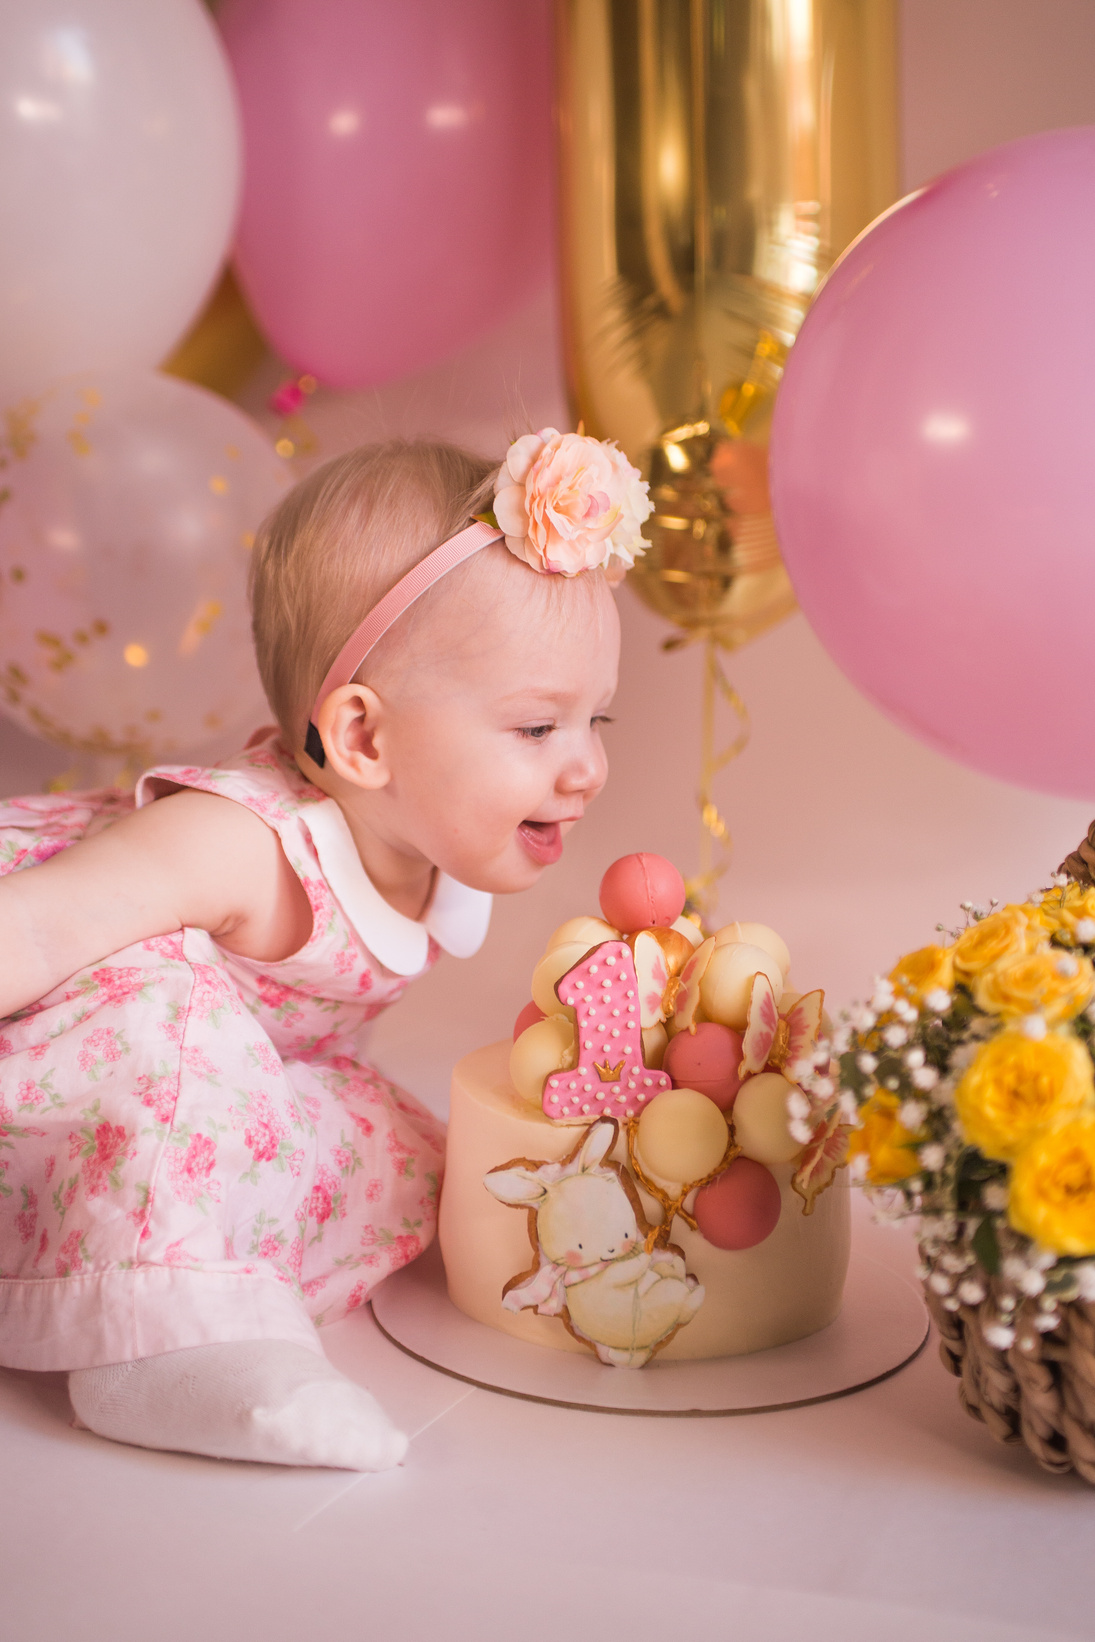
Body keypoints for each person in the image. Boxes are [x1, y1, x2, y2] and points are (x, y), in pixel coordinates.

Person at [0, 428, 651, 1470]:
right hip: (61, 1048)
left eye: (594, 718)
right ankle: (168, 1348)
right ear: (364, 740)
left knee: (401, 1146)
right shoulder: (243, 845)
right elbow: (39, 923)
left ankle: (199, 1276)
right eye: (537, 729)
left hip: (197, 1104)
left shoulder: (430, 850)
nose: (585, 769)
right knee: (169, 1010)